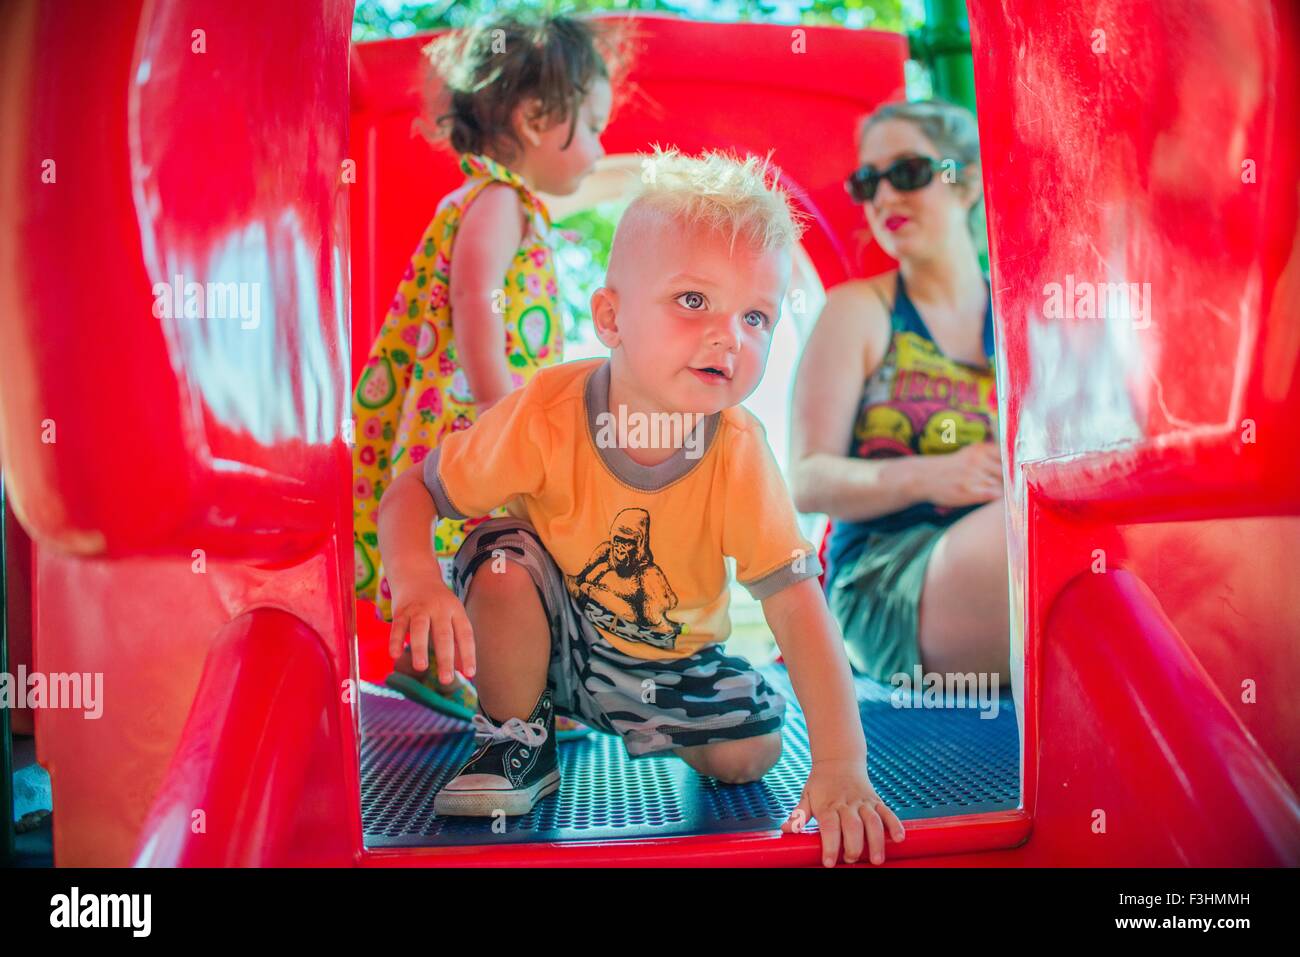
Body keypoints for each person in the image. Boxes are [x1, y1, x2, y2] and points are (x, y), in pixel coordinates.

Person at [378, 146, 906, 867]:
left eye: (757, 316)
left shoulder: (738, 449)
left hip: (666, 657)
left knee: (751, 752)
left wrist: (842, 763)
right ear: (610, 317)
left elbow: (795, 602)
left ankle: (609, 715)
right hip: (552, 638)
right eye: (694, 301)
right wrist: (416, 579)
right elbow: (414, 489)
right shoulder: (547, 411)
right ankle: (516, 736)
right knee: (501, 554)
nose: (729, 335)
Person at [351, 12, 619, 722]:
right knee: (487, 535)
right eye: (591, 124)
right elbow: (477, 298)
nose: (600, 147)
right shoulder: (501, 200)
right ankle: (509, 686)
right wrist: (506, 409)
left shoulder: (485, 199)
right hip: (476, 411)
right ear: (536, 118)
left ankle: (432, 671)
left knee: (467, 543)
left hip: (470, 411)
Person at [790, 99, 1010, 688]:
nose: (884, 197)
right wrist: (931, 475)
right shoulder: (859, 311)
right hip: (888, 578)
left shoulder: (1021, 315)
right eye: (868, 182)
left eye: (907, 173)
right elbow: (806, 481)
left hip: (996, 547)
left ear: (965, 183)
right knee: (1029, 535)